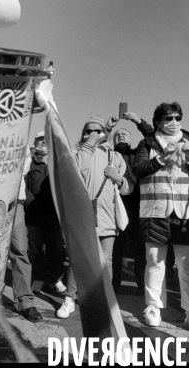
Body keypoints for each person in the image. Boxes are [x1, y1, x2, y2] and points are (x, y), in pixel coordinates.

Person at [132, 102, 189, 332]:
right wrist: (161, 159)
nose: (173, 122)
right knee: (155, 262)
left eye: (176, 118)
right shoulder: (147, 143)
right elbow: (138, 170)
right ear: (158, 122)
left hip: (185, 213)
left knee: (188, 266)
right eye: (168, 118)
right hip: (155, 211)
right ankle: (153, 306)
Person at [56, 115, 132, 319]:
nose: (92, 134)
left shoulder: (115, 156)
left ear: (104, 133)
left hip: (107, 215)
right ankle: (70, 298)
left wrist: (119, 179)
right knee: (76, 261)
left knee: (106, 262)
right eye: (87, 130)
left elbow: (126, 188)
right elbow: (74, 171)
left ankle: (104, 299)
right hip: (82, 213)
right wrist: (89, 144)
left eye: (96, 131)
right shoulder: (76, 152)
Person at [111, 112, 154, 293]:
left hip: (137, 205)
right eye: (117, 134)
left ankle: (141, 284)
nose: (121, 135)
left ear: (131, 140)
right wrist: (108, 129)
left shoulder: (138, 153)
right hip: (115, 205)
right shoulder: (109, 154)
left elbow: (151, 137)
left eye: (125, 134)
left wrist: (137, 121)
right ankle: (114, 284)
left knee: (138, 247)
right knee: (115, 247)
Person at [25, 131, 67, 296]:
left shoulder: (58, 162)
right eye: (40, 140)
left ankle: (55, 279)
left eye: (46, 140)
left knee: (56, 250)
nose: (43, 142)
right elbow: (24, 185)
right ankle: (38, 278)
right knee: (35, 250)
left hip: (54, 217)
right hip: (34, 216)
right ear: (35, 142)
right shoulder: (29, 163)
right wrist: (32, 202)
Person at [8, 149, 43, 323]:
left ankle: (25, 302)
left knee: (20, 250)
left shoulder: (20, 143)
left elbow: (20, 169)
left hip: (15, 203)